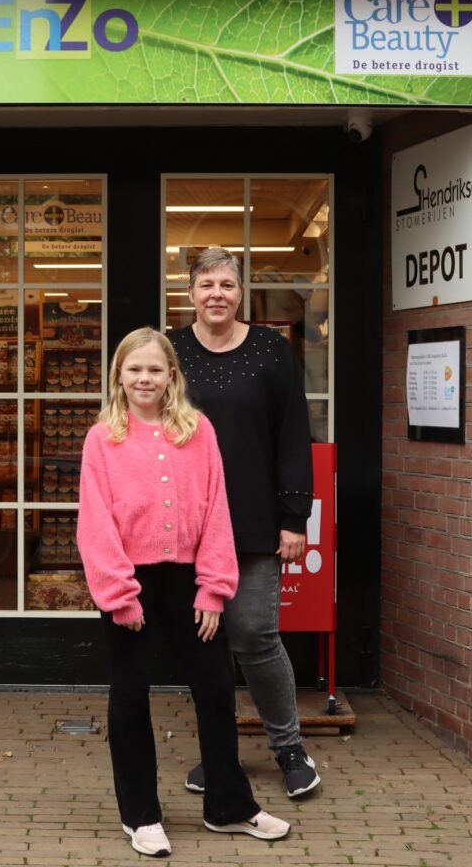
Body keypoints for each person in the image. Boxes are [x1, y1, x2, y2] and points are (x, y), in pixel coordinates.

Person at [76, 327, 290, 857]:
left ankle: (228, 806)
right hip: (130, 581)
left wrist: (214, 588)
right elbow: (94, 523)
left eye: (155, 369)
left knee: (216, 688)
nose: (144, 379)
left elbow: (217, 511)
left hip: (190, 579)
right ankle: (141, 814)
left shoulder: (197, 431)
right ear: (119, 376)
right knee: (131, 694)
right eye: (134, 369)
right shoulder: (103, 438)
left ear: (172, 375)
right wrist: (119, 594)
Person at [167, 246, 320, 799]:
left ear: (240, 293)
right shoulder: (171, 351)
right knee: (205, 643)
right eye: (206, 284)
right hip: (186, 522)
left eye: (227, 285)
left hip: (252, 517)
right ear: (190, 293)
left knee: (255, 634)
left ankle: (289, 747)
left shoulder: (270, 350)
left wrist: (294, 517)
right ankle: (219, 755)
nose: (216, 294)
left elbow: (292, 434)